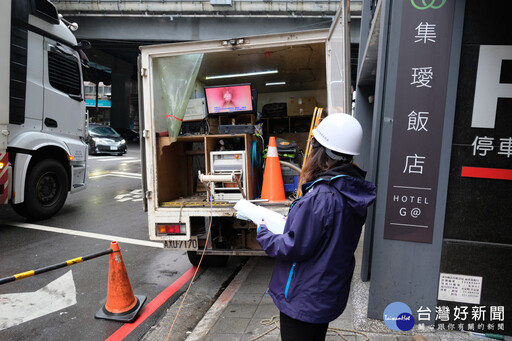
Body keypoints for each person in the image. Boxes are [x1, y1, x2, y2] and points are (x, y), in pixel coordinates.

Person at [256, 113, 377, 341]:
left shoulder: (321, 196)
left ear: (321, 152)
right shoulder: (350, 191)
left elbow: (294, 246)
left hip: (305, 296)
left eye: (313, 145)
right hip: (325, 293)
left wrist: (264, 234)